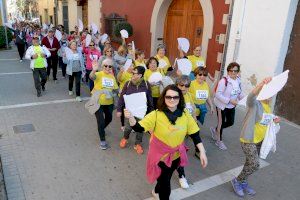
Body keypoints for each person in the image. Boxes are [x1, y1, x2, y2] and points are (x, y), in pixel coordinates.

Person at [124, 84, 207, 200]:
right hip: (160, 157)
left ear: (180, 98)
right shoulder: (156, 115)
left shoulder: (185, 115)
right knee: (165, 183)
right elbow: (139, 128)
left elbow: (195, 134)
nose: (172, 100)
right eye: (168, 97)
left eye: (175, 97)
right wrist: (131, 117)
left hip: (176, 156)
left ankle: (156, 191)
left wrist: (202, 151)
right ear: (164, 98)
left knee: (165, 178)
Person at [231, 77, 280, 197]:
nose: (269, 96)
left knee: (249, 163)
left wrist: (275, 120)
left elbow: (266, 122)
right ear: (261, 92)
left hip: (259, 141)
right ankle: (237, 180)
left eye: (271, 93)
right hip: (248, 139)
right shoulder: (254, 104)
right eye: (266, 92)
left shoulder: (268, 107)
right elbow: (250, 97)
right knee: (255, 164)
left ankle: (243, 181)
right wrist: (261, 84)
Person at [117, 66, 154, 154]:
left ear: (140, 75)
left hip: (142, 112)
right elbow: (122, 97)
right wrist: (119, 109)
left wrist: (151, 112)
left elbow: (150, 99)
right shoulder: (128, 83)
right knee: (128, 128)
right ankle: (125, 138)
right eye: (132, 72)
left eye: (134, 73)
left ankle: (137, 144)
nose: (132, 74)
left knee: (140, 129)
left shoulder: (146, 84)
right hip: (130, 112)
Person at [211, 62, 244, 150]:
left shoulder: (238, 80)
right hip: (222, 106)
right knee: (221, 124)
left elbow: (239, 92)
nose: (233, 72)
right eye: (231, 70)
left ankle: (215, 129)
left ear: (238, 72)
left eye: (235, 71)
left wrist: (243, 100)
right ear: (228, 71)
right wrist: (229, 100)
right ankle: (219, 141)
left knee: (230, 122)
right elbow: (218, 94)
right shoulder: (224, 81)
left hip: (231, 106)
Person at [174, 75, 198, 189]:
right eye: (181, 85)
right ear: (177, 85)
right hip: (175, 131)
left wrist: (194, 119)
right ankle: (182, 176)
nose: (184, 88)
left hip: (186, 130)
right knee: (179, 153)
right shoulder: (173, 97)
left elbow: (192, 108)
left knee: (179, 152)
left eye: (187, 86)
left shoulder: (188, 95)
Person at [90, 58, 119, 150]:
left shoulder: (112, 77)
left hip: (109, 102)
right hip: (97, 102)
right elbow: (92, 77)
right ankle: (102, 140)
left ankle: (101, 129)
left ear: (112, 68)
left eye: (110, 66)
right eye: (105, 66)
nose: (107, 67)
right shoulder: (98, 74)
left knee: (109, 118)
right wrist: (94, 70)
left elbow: (116, 89)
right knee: (101, 121)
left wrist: (122, 92)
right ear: (102, 66)